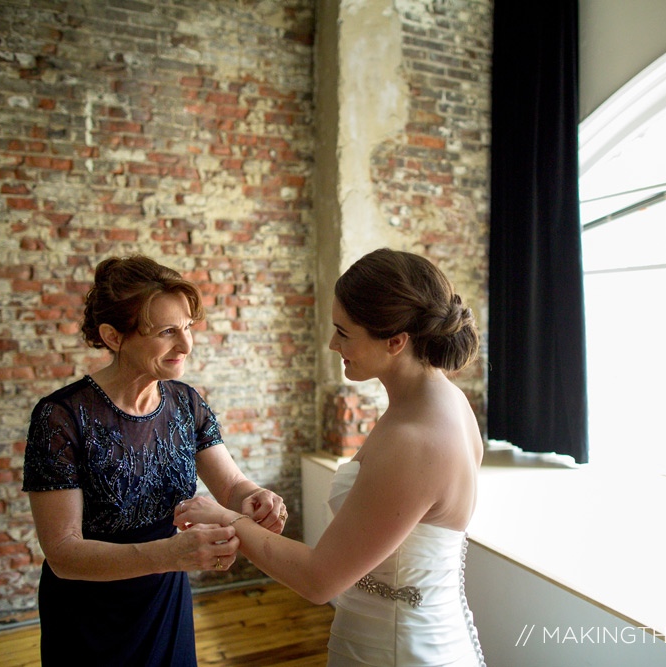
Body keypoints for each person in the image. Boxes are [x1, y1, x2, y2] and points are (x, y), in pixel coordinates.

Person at [175, 248, 487, 666]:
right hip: (407, 631)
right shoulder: (445, 402)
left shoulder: (417, 440)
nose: (331, 343)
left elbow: (318, 580)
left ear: (395, 341)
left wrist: (225, 518)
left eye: (343, 332)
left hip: (397, 650)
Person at [23, 255, 287, 666]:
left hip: (165, 599)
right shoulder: (60, 417)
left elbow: (232, 485)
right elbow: (63, 553)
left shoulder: (185, 403)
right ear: (113, 337)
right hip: (89, 612)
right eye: (167, 332)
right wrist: (170, 555)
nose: (185, 345)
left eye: (187, 328)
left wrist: (257, 497)